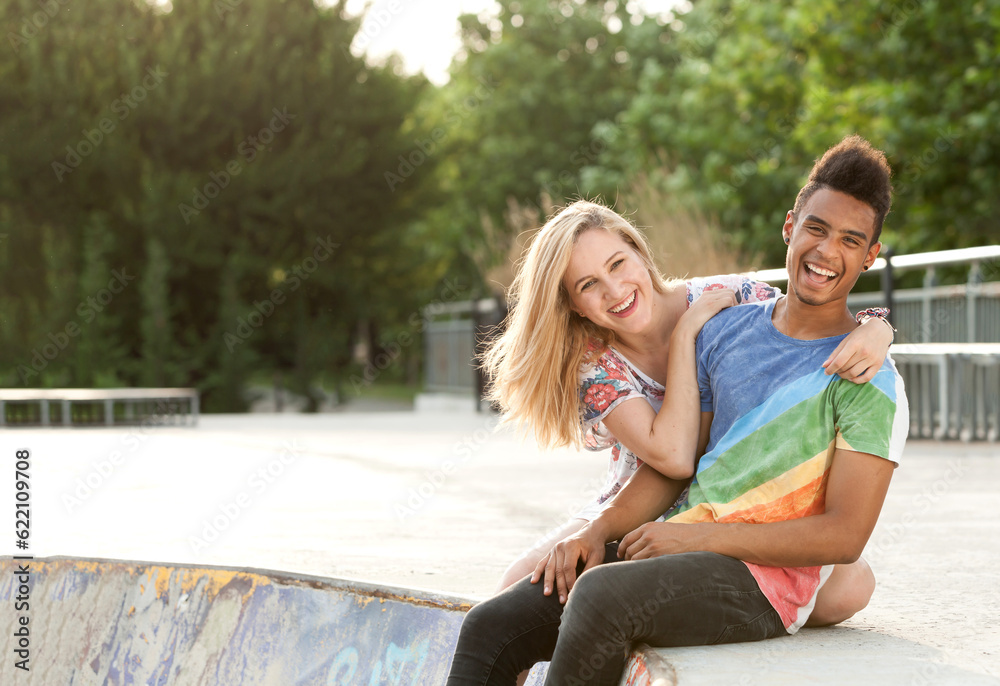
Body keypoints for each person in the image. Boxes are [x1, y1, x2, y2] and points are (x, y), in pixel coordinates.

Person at [447, 134, 907, 685]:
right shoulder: (725, 327)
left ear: (870, 256)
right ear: (790, 227)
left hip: (759, 582)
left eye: (850, 240)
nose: (827, 251)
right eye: (815, 228)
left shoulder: (868, 376)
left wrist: (878, 322)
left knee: (599, 595)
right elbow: (678, 462)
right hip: (676, 536)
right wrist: (600, 530)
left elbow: (844, 536)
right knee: (490, 624)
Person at [485, 202, 893, 624]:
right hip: (640, 506)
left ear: (640, 253)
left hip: (741, 503)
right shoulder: (593, 366)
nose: (614, 289)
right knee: (513, 591)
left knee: (852, 587)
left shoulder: (729, 299)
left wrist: (877, 325)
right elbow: (676, 458)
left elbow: (814, 322)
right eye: (589, 284)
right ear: (572, 305)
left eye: (618, 263)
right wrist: (686, 334)